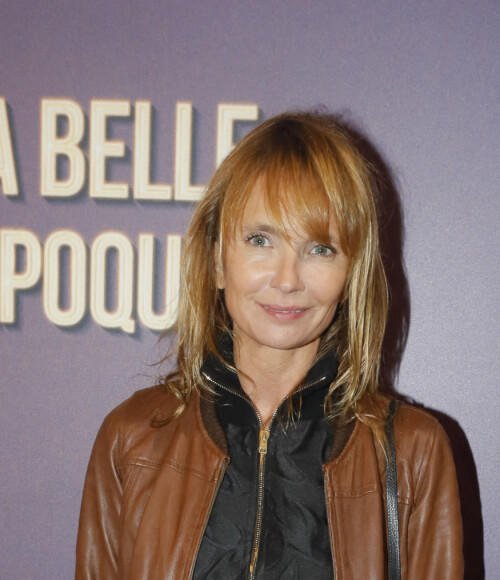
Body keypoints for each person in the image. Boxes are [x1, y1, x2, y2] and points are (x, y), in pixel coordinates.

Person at [76, 111, 463, 579]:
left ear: (351, 274)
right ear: (218, 261)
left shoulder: (413, 453)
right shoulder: (132, 438)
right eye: (261, 240)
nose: (287, 279)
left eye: (320, 248)